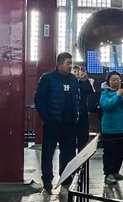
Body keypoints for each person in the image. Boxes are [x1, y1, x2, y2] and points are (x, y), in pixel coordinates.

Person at [34, 53, 80, 191]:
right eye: (68, 63)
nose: (70, 66)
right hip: (52, 123)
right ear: (59, 64)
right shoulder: (48, 78)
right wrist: (47, 117)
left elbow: (78, 97)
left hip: (69, 124)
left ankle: (66, 177)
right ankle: (47, 179)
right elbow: (39, 99)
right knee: (48, 152)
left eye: (71, 63)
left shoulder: (73, 79)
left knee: (68, 152)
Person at [100, 71, 123, 185]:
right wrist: (116, 95)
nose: (115, 82)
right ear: (108, 81)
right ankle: (108, 174)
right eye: (113, 80)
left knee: (121, 152)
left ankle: (116, 172)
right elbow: (106, 105)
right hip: (109, 129)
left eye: (117, 80)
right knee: (110, 152)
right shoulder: (105, 93)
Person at [73, 65, 95, 151]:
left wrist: (86, 80)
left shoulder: (83, 83)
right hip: (71, 115)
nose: (77, 73)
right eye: (74, 71)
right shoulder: (68, 82)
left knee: (83, 139)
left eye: (78, 71)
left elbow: (90, 91)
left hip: (83, 113)